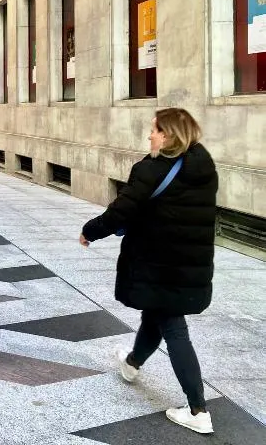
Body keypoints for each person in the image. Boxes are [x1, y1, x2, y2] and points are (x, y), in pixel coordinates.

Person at [79, 108, 218, 435]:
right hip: (186, 261)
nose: (150, 135)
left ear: (168, 135)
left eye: (155, 130)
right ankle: (131, 365)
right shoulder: (203, 166)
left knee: (172, 324)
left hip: (160, 262)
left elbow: (122, 209)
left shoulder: (152, 170)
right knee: (157, 313)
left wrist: (90, 231)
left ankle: (198, 409)